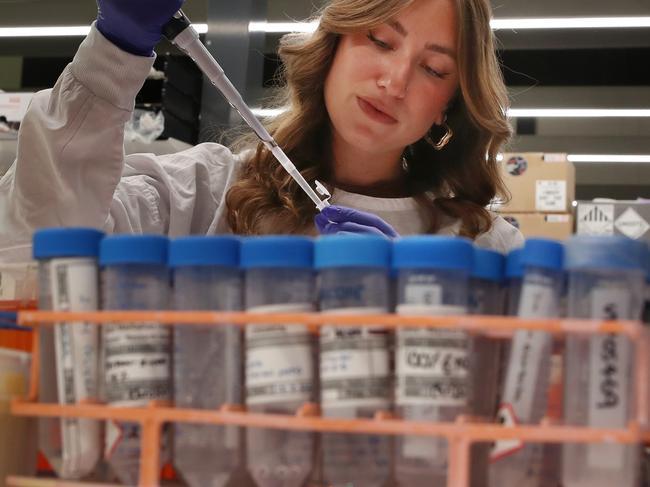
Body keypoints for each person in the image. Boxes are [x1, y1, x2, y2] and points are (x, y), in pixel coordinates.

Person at [0, 0, 523, 256]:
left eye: (433, 69)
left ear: (446, 108)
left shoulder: (480, 246)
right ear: (332, 48)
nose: (394, 80)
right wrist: (113, 51)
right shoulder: (202, 195)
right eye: (381, 40)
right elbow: (36, 244)